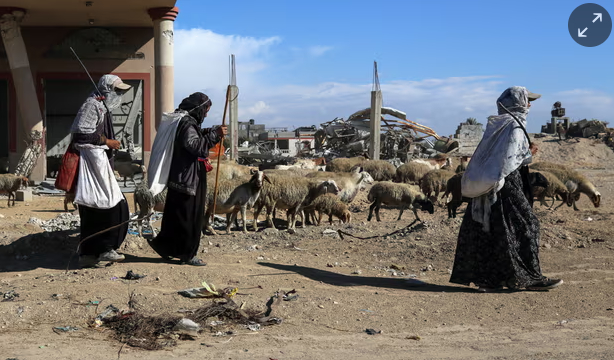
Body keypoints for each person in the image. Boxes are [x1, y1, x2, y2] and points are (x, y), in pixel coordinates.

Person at [449, 86, 563, 292]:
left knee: (495, 228)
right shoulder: (514, 127)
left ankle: (493, 279)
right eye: (527, 101)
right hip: (507, 183)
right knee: (527, 226)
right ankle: (530, 278)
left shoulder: (497, 126)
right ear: (518, 104)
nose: (529, 105)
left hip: (490, 185)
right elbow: (509, 160)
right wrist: (529, 152)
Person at [148, 92, 227, 266]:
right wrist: (214, 136)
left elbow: (195, 135)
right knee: (189, 217)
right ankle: (187, 254)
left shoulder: (183, 121)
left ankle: (165, 247)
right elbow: (196, 146)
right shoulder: (186, 123)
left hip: (181, 176)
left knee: (176, 215)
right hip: (188, 178)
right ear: (198, 108)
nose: (206, 114)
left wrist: (213, 131)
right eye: (206, 110)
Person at [70, 74, 132, 268]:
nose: (120, 95)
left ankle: (90, 253)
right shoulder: (92, 105)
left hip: (99, 164)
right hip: (92, 165)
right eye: (117, 91)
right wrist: (107, 141)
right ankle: (104, 249)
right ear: (107, 90)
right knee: (109, 206)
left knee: (99, 207)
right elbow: (80, 133)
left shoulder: (102, 106)